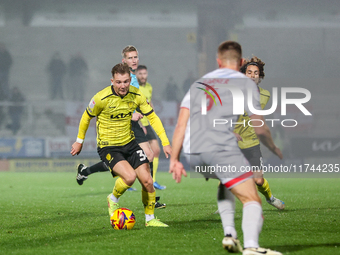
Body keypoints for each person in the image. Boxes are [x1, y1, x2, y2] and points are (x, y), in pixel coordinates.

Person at [169, 41, 283, 254]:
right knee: (252, 200)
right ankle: (251, 247)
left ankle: (230, 234)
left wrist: (175, 159)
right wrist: (273, 147)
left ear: (218, 61)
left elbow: (181, 124)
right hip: (219, 149)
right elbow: (260, 127)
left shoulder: (199, 84)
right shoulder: (245, 83)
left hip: (192, 154)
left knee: (227, 181)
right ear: (241, 62)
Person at [71, 63, 171, 227]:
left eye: (125, 82)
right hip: (108, 147)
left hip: (130, 143)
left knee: (147, 181)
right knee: (130, 177)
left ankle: (150, 219)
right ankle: (113, 199)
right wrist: (79, 141)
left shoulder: (136, 95)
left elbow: (152, 117)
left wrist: (165, 142)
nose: (123, 86)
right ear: (112, 81)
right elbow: (85, 117)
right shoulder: (101, 98)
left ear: (130, 80)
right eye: (118, 82)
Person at [236, 56, 285, 210]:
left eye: (255, 73)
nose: (252, 75)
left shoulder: (265, 95)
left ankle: (270, 198)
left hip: (252, 143)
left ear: (260, 76)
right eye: (249, 72)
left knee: (258, 180)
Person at [136, 65, 166, 191]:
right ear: (136, 75)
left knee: (156, 150)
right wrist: (140, 124)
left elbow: (149, 102)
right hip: (137, 123)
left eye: (145, 73)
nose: (143, 76)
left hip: (147, 123)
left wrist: (153, 117)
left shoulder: (148, 87)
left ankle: (152, 180)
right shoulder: (134, 88)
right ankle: (128, 182)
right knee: (134, 154)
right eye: (140, 74)